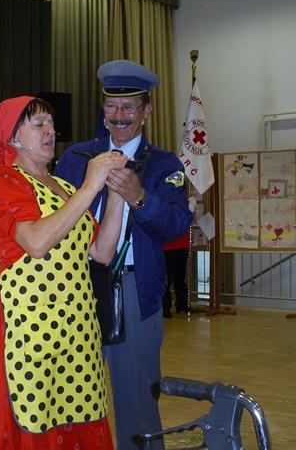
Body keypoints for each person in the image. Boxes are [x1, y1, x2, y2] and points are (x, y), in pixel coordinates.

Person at [54, 60, 193, 450]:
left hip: (131, 288)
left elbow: (175, 225)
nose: (119, 116)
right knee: (70, 392)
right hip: (74, 286)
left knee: (136, 396)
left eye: (129, 107)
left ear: (147, 111)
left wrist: (139, 197)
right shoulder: (76, 158)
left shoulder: (165, 165)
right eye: (112, 106)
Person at [0, 95, 129, 450]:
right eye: (39, 124)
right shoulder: (3, 179)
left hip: (78, 327)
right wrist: (91, 186)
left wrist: (117, 192)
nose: (51, 131)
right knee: (37, 418)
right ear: (12, 137)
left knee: (83, 413)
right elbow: (36, 241)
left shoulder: (65, 189)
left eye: (51, 123)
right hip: (32, 326)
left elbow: (102, 252)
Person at [162, 231, 191, 317]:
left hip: (171, 246)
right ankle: (180, 306)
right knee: (177, 279)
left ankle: (167, 307)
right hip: (179, 245)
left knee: (171, 279)